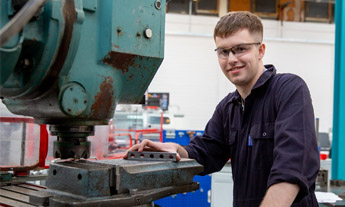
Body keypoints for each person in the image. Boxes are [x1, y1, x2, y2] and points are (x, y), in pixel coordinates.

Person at [124, 11, 320, 207]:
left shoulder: (288, 89)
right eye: (223, 52)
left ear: (260, 51)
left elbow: (292, 166)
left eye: (240, 49)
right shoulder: (228, 107)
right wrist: (176, 149)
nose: (231, 59)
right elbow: (206, 152)